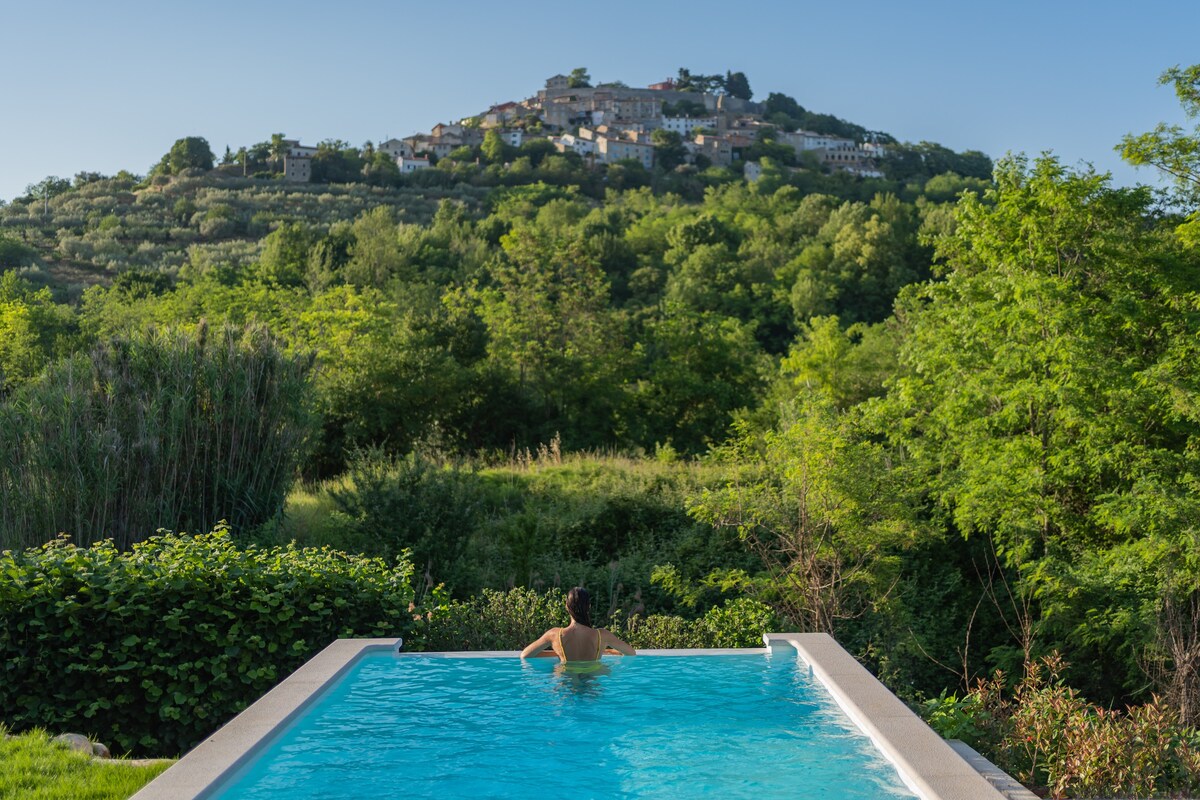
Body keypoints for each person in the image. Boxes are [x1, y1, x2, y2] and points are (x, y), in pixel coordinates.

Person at [520, 587, 636, 662]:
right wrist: (607, 651)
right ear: (589, 607)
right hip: (592, 684)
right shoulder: (602, 635)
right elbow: (631, 653)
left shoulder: (554, 634)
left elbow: (525, 655)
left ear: (566, 606)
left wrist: (557, 652)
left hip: (566, 683)